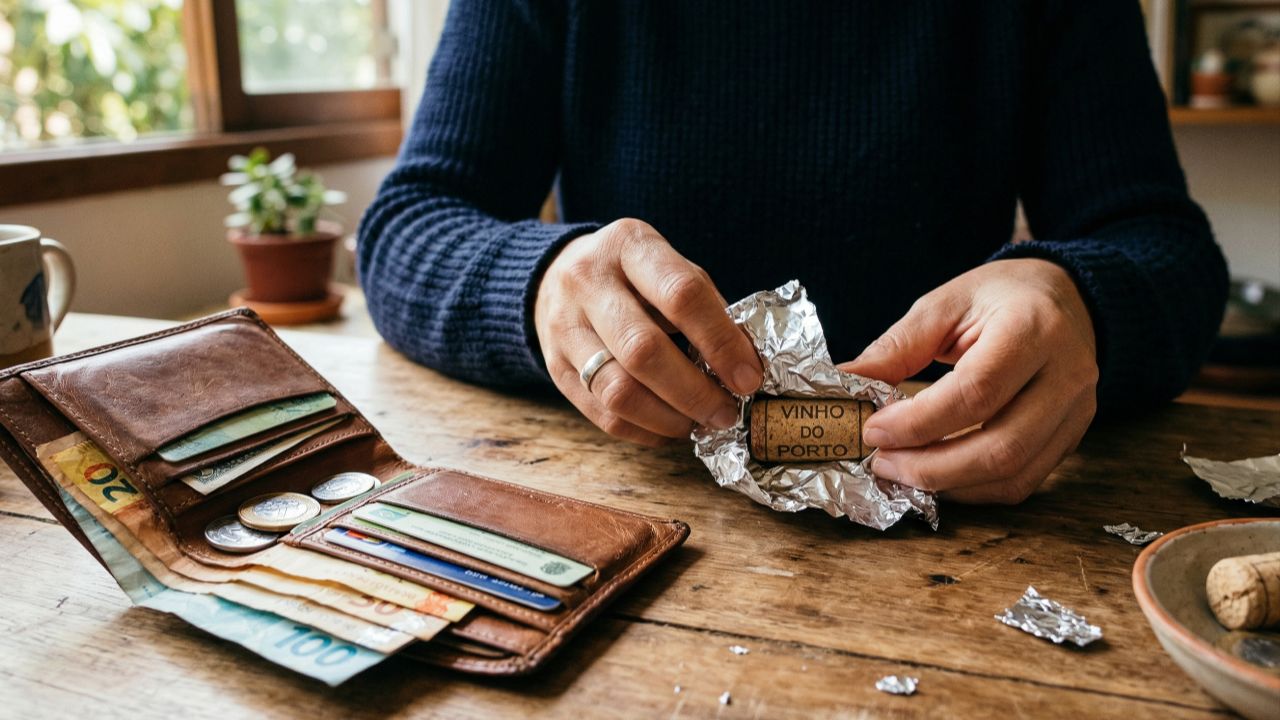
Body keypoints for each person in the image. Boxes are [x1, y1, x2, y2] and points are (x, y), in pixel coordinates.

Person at [357, 1, 1228, 505]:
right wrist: (542, 281)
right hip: (633, 513)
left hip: (974, 515)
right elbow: (408, 225)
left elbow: (1168, 251)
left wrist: (1080, 298)